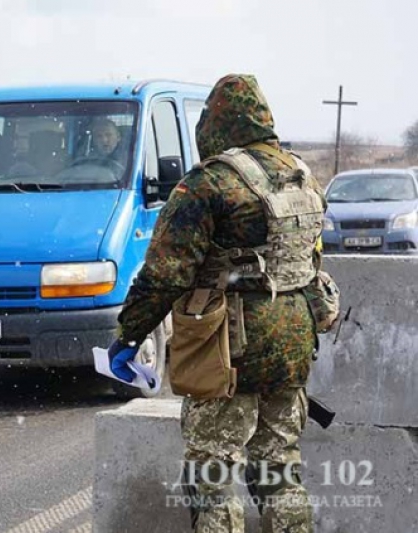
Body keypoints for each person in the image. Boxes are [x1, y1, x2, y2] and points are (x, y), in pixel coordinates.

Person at [109, 74, 326, 533]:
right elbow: (311, 259)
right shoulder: (301, 175)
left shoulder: (210, 184)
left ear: (214, 124)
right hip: (294, 341)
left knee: (212, 474)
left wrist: (129, 333)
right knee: (279, 469)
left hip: (229, 345)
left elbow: (166, 272)